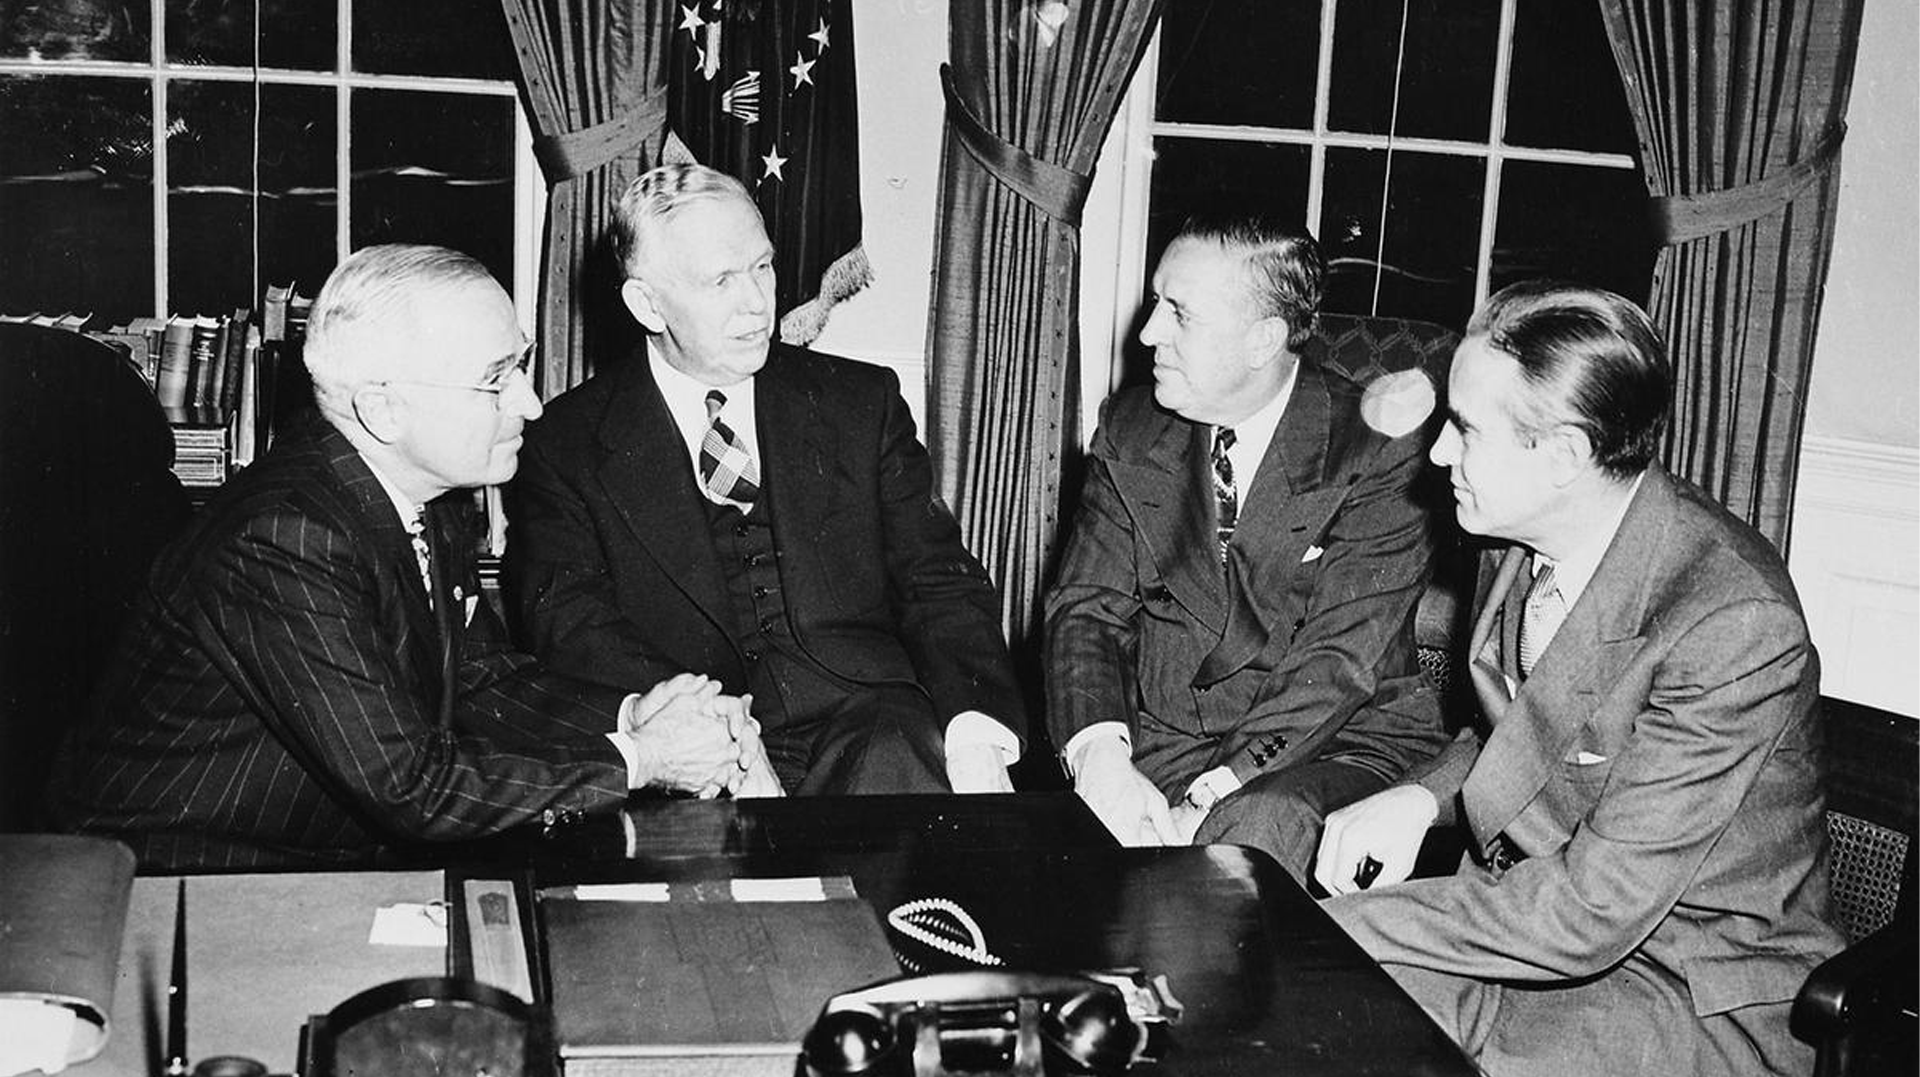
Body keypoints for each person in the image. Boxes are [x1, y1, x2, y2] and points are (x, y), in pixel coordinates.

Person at [48, 244, 776, 870]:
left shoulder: (430, 495)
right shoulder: (283, 542)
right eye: (497, 379)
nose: (530, 403)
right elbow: (411, 787)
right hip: (182, 880)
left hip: (324, 855)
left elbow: (486, 683)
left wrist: (630, 712)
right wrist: (642, 760)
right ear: (383, 409)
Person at [1313, 282, 1844, 1077]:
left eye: (1465, 430)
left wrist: (1329, 925)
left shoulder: (1732, 620)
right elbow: (1538, 735)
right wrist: (1421, 797)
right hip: (1531, 928)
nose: (1437, 455)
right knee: (1304, 1022)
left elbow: (1593, 913)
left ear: (1563, 455)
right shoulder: (1516, 532)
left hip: (1685, 987)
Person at [506, 163, 1024, 796]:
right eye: (722, 279)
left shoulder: (861, 402)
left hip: (872, 725)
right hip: (693, 743)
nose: (757, 302)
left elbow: (938, 580)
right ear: (647, 303)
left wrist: (977, 739)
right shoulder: (567, 441)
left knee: (901, 776)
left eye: (763, 267)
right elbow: (570, 624)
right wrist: (707, 732)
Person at [1043, 215, 1446, 876]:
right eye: (1154, 303)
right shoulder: (1131, 426)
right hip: (1165, 737)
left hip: (1331, 743)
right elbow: (1087, 609)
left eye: (1179, 314)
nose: (1147, 334)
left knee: (1246, 840)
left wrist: (1209, 794)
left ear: (1263, 339)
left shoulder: (1378, 446)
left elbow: (1339, 661)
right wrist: (1101, 759)